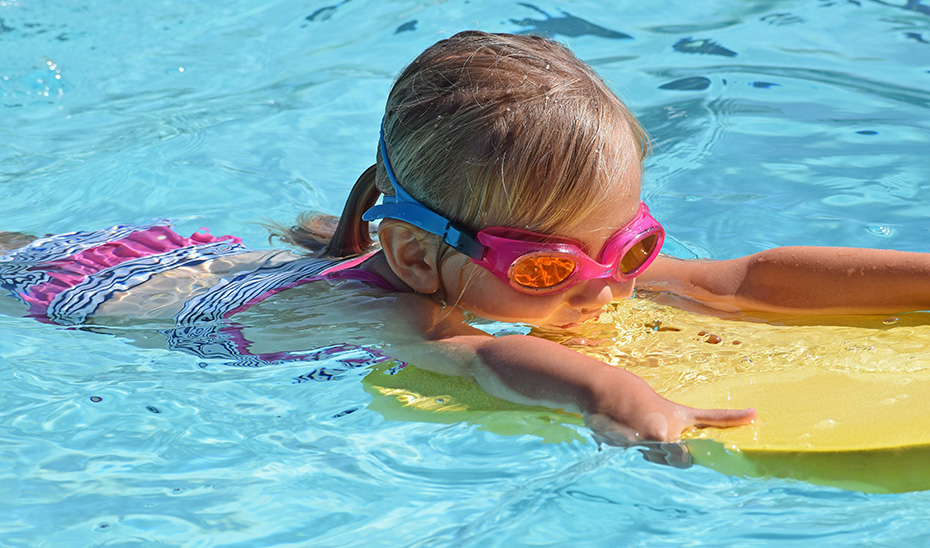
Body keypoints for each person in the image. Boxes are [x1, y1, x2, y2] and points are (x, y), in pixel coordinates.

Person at [3, 31, 929, 444]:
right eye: (547, 267)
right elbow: (484, 364)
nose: (608, 288)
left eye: (632, 246)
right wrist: (620, 399)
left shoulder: (578, 270)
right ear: (417, 260)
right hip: (90, 294)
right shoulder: (405, 316)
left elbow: (743, 282)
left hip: (207, 261)